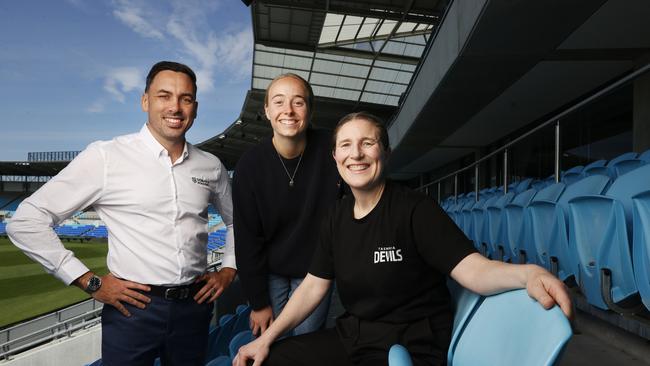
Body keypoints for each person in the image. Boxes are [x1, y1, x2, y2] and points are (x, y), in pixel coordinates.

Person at [233, 112, 573, 366]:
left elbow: (475, 272)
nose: (357, 154)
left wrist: (527, 273)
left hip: (413, 342)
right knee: (275, 360)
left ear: (385, 152)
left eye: (368, 143)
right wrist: (269, 339)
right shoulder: (335, 216)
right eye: (346, 145)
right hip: (357, 335)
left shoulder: (416, 209)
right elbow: (313, 286)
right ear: (335, 158)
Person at [7, 61, 236, 366]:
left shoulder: (211, 165)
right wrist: (89, 282)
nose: (176, 107)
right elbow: (26, 220)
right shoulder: (106, 156)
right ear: (145, 101)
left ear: (195, 106)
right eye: (164, 96)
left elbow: (237, 221)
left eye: (186, 98)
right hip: (133, 309)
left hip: (195, 306)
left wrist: (230, 268)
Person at [232, 73, 342, 337]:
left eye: (298, 102)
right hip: (270, 272)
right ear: (267, 110)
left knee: (303, 344)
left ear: (310, 110)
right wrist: (258, 303)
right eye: (279, 102)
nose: (288, 111)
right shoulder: (249, 166)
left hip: (316, 272)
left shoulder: (333, 149)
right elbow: (247, 240)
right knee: (272, 343)